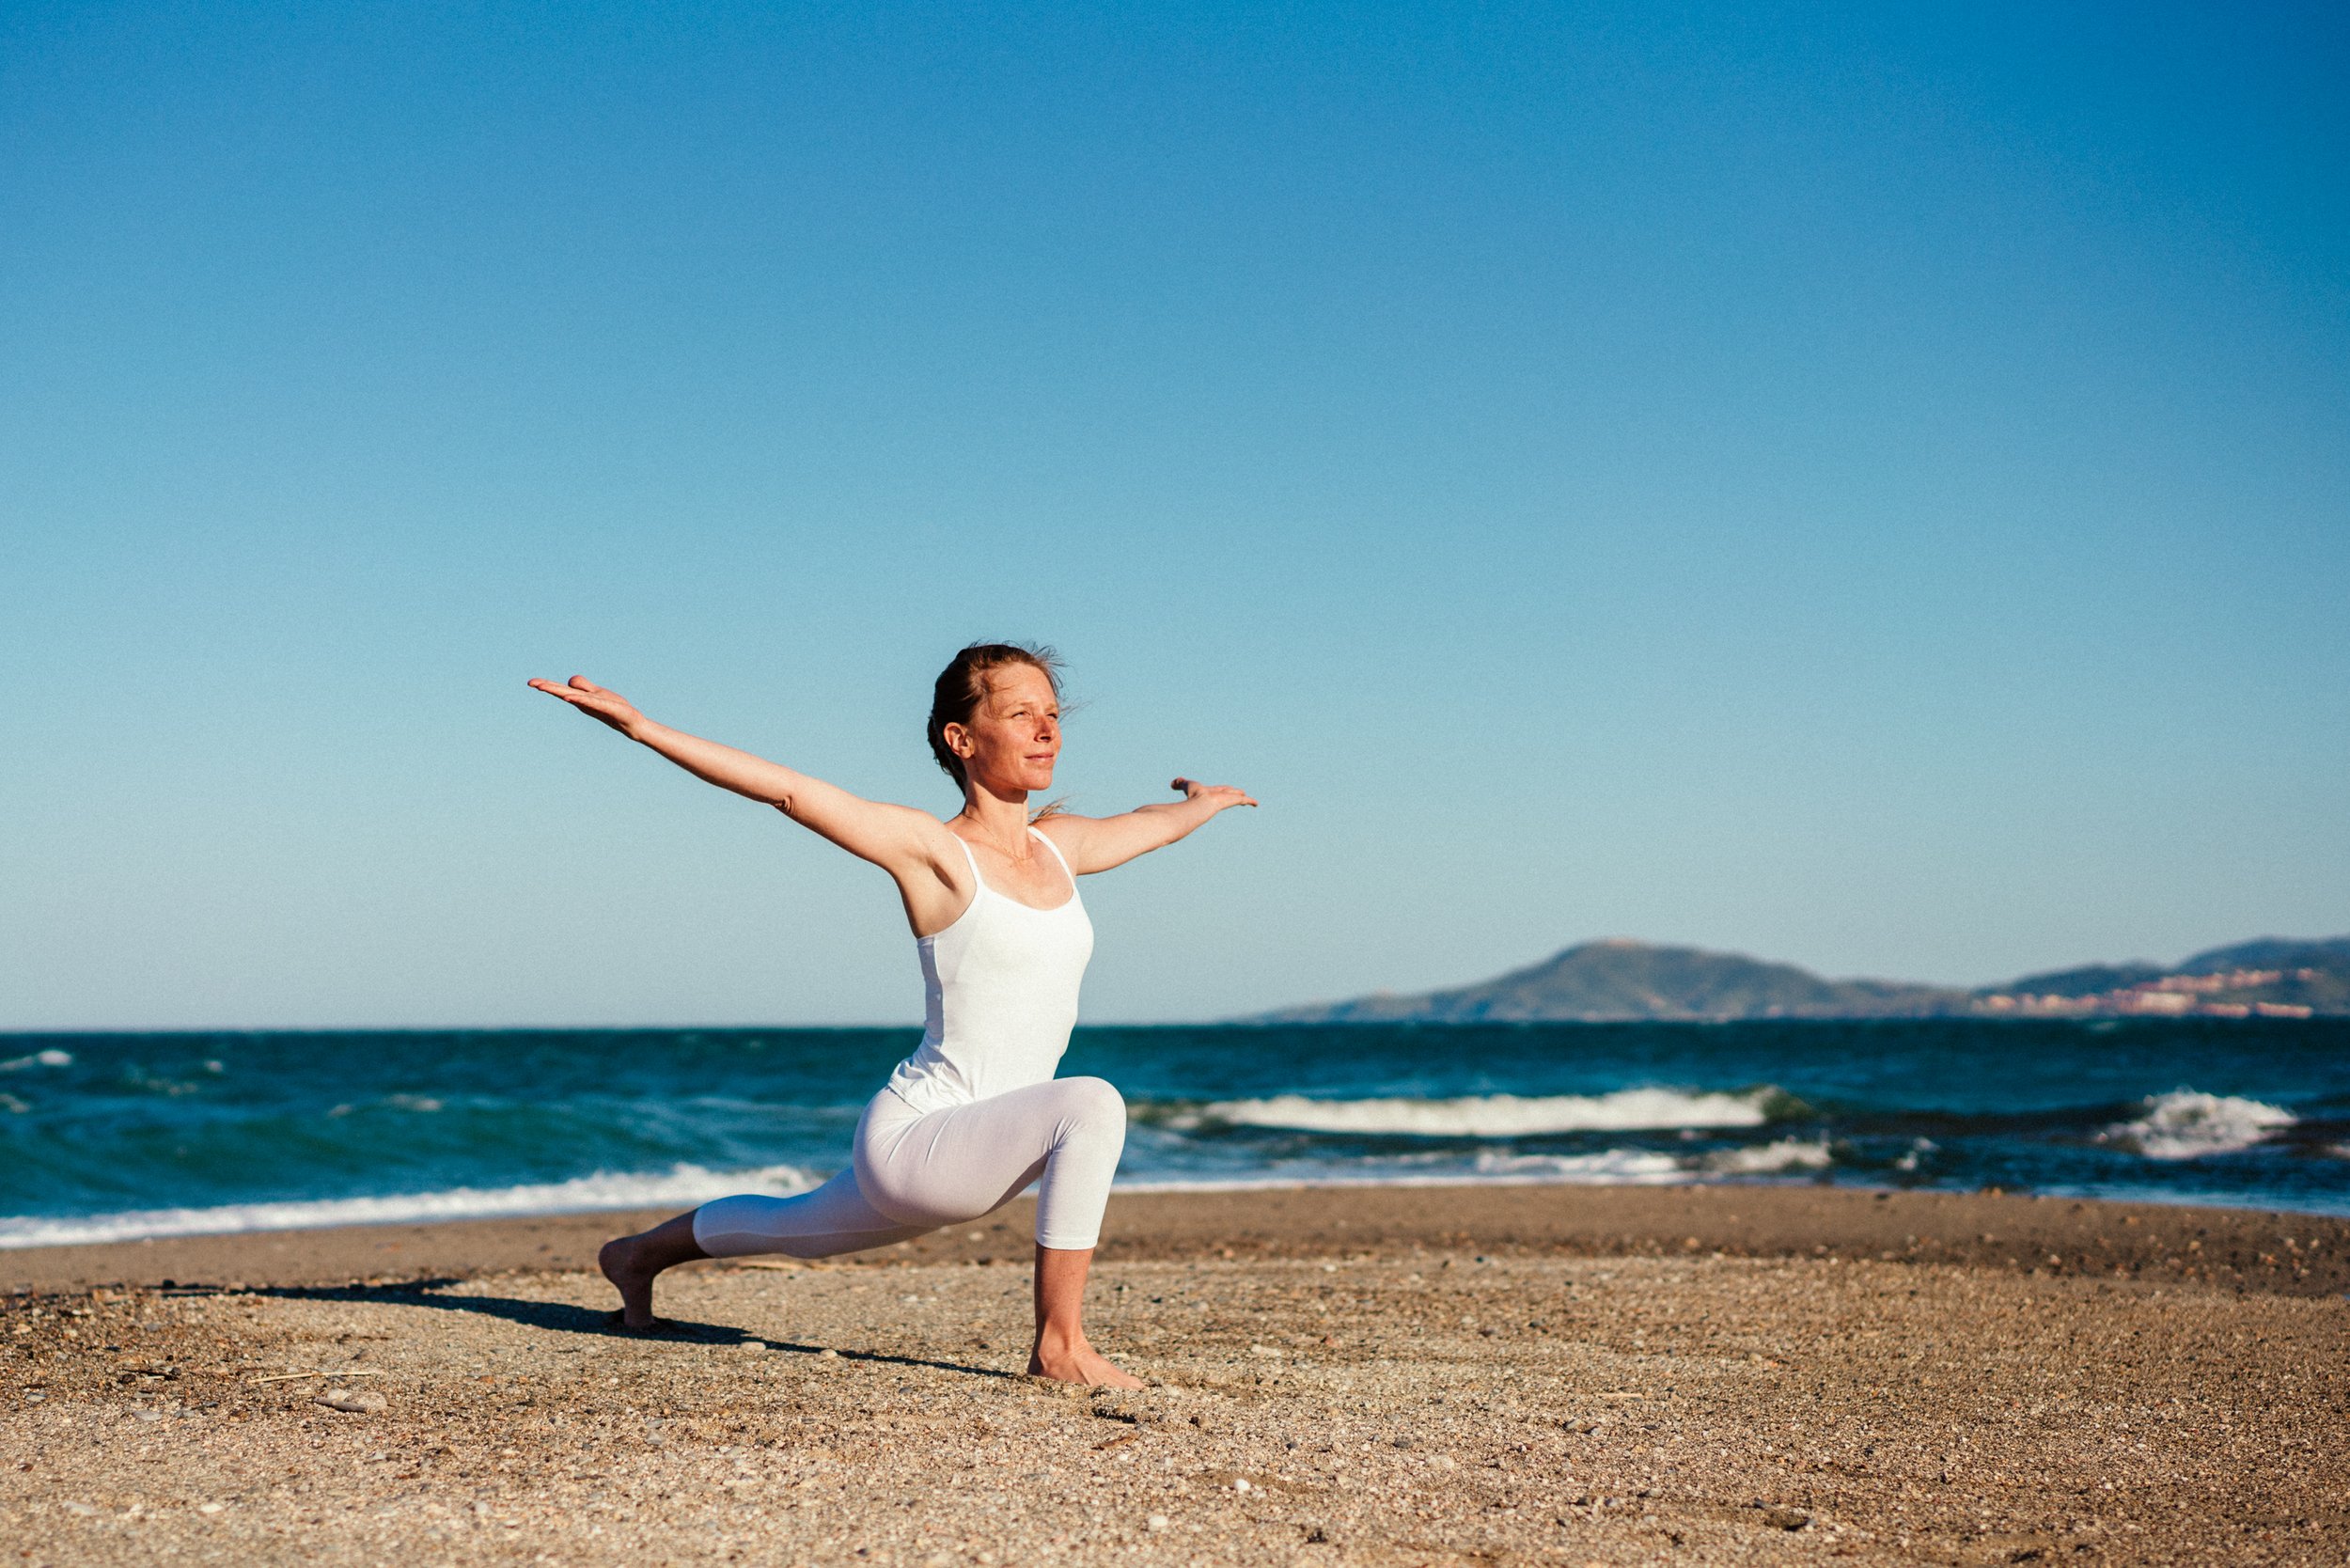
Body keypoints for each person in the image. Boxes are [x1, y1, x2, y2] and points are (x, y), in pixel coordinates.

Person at [527, 643, 1256, 1388]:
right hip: (915, 1141)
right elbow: (789, 791)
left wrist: (1201, 805)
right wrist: (645, 728)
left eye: (1052, 714)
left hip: (987, 1144)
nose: (1046, 731)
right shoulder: (934, 852)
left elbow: (1150, 824)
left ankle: (634, 1256)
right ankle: (1059, 1349)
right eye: (1019, 714)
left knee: (791, 1227)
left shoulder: (1059, 849)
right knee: (1091, 1103)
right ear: (961, 739)